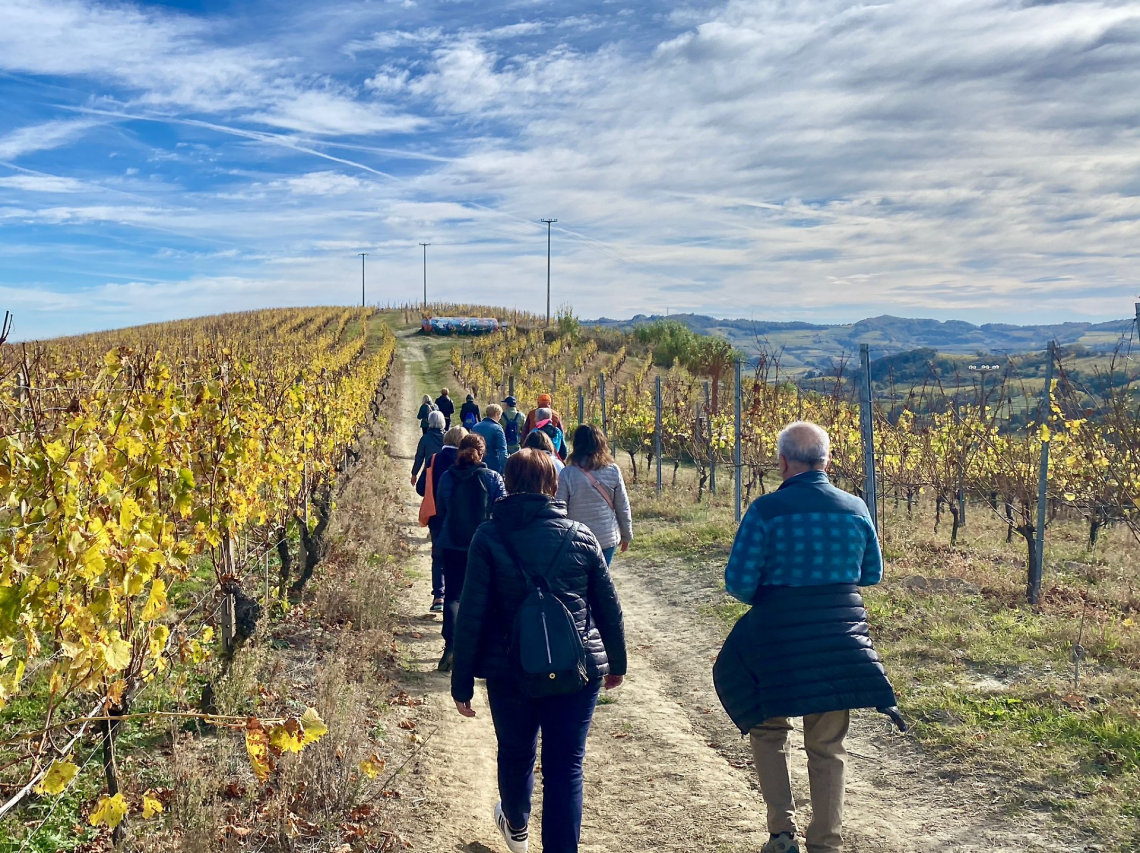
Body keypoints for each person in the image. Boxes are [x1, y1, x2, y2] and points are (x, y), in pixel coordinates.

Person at [712, 421, 905, 853]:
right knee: (828, 745)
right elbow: (871, 573)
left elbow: (739, 583)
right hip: (839, 638)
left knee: (768, 730)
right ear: (827, 460)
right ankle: (826, 843)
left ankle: (782, 833)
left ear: (782, 462)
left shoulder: (765, 511)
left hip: (777, 640)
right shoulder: (856, 508)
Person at [451, 449, 627, 853]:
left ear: (508, 484)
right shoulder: (581, 536)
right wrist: (615, 663)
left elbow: (472, 613)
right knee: (566, 768)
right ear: (553, 485)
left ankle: (515, 826)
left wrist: (462, 682)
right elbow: (608, 609)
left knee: (516, 753)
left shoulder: (488, 537)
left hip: (510, 670)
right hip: (576, 670)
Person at [434, 434, 506, 672]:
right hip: (482, 546)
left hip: (451, 543)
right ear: (482, 454)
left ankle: (451, 647)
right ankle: (478, 651)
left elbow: (441, 509)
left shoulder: (446, 478)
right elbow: (502, 511)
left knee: (453, 596)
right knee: (483, 597)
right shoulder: (493, 478)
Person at [556, 425, 632, 565]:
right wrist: (626, 535)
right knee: (602, 579)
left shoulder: (568, 473)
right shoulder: (613, 470)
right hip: (606, 537)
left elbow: (560, 508)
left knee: (581, 581)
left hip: (577, 538)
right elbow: (623, 505)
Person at [419, 425, 467, 613]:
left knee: (438, 557)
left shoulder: (434, 459)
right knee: (460, 558)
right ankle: (458, 598)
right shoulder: (466, 461)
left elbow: (421, 487)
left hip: (437, 516)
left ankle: (439, 596)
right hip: (461, 517)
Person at [472, 403, 509, 474]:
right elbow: (502, 451)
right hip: (493, 465)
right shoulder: (497, 429)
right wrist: (505, 469)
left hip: (476, 463)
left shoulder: (475, 426)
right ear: (497, 414)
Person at [412, 410, 446, 487]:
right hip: (444, 473)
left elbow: (419, 457)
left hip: (429, 472)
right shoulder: (448, 438)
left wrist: (414, 473)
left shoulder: (425, 438)